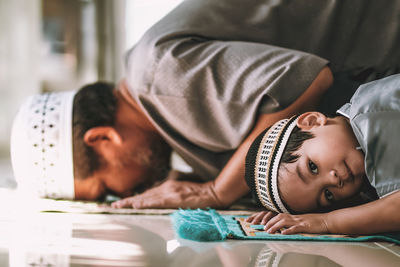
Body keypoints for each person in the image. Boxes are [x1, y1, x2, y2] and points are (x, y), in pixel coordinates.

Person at [10, 0, 400, 207]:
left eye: (106, 189)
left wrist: (215, 191)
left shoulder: (159, 77)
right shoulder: (160, 103)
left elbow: (304, 80)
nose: (125, 196)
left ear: (101, 139)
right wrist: (194, 182)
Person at [245, 74, 400, 235]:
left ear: (312, 121)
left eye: (312, 167)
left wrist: (327, 222)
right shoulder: (364, 159)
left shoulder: (370, 118)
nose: (333, 180)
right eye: (328, 195)